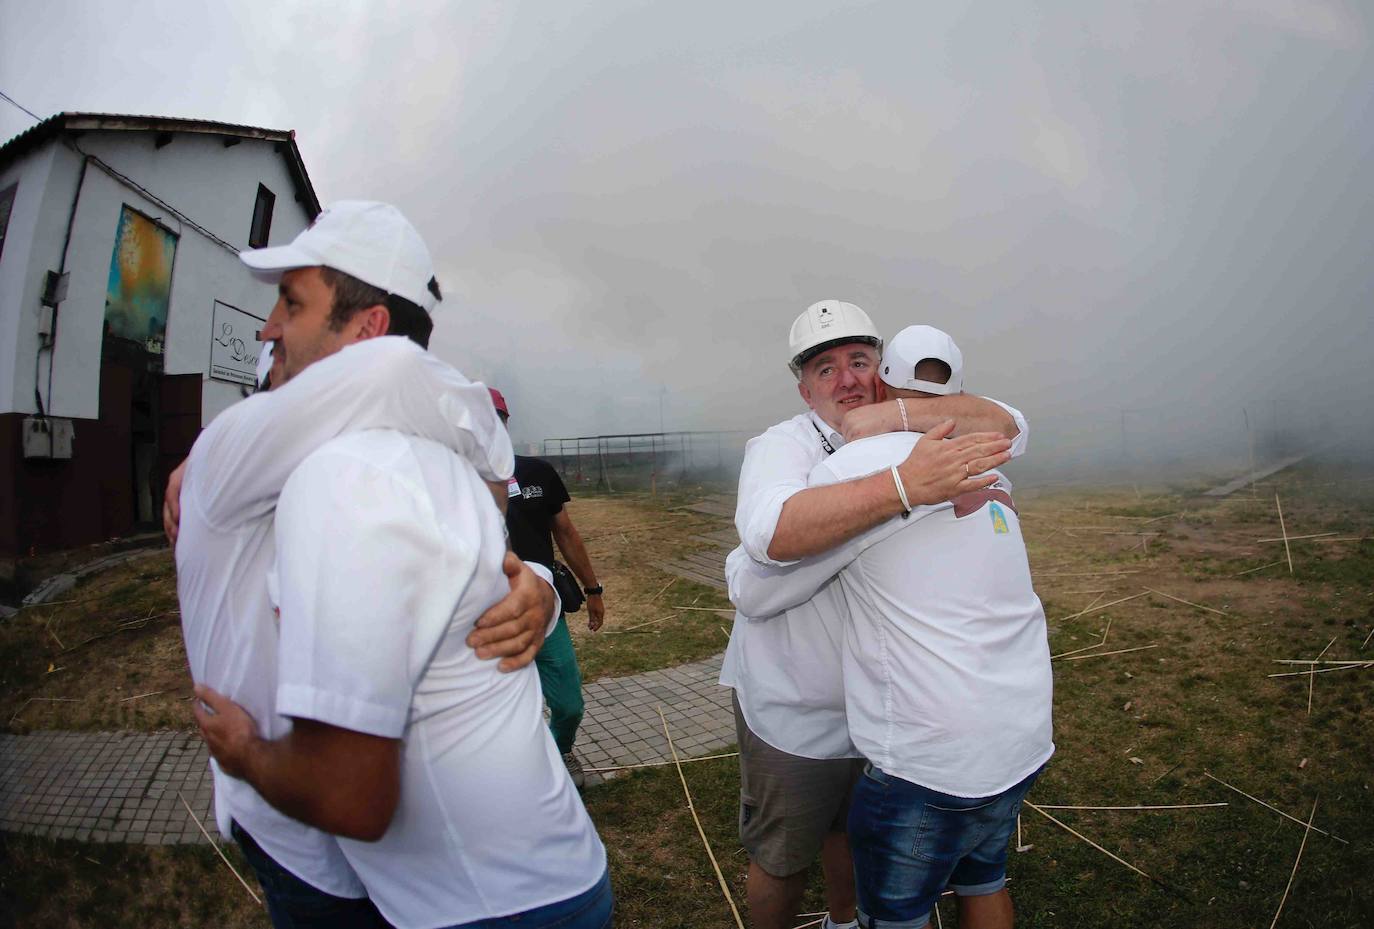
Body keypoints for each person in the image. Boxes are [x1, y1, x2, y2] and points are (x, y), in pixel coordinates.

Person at [175, 201, 598, 928]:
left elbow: (469, 539)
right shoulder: (257, 449)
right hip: (303, 837)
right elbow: (449, 409)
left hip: (402, 853)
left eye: (290, 304)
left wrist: (539, 592)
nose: (267, 327)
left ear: (367, 330)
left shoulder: (376, 460)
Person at [729, 325, 1052, 929]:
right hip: (803, 705)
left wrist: (893, 466)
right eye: (826, 369)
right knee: (789, 853)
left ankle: (845, 921)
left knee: (885, 893)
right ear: (804, 390)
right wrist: (902, 484)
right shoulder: (786, 447)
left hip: (907, 732)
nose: (848, 377)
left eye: (858, 361)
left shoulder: (885, 461)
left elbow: (754, 578)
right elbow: (763, 562)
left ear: (882, 375)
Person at [491, 387, 605, 787]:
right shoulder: (448, 482)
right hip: (486, 620)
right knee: (501, 711)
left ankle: (559, 752)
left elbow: (566, 533)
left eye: (497, 418)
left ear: (506, 423)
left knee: (569, 706)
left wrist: (593, 590)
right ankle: (521, 779)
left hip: (544, 613)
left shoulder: (537, 473)